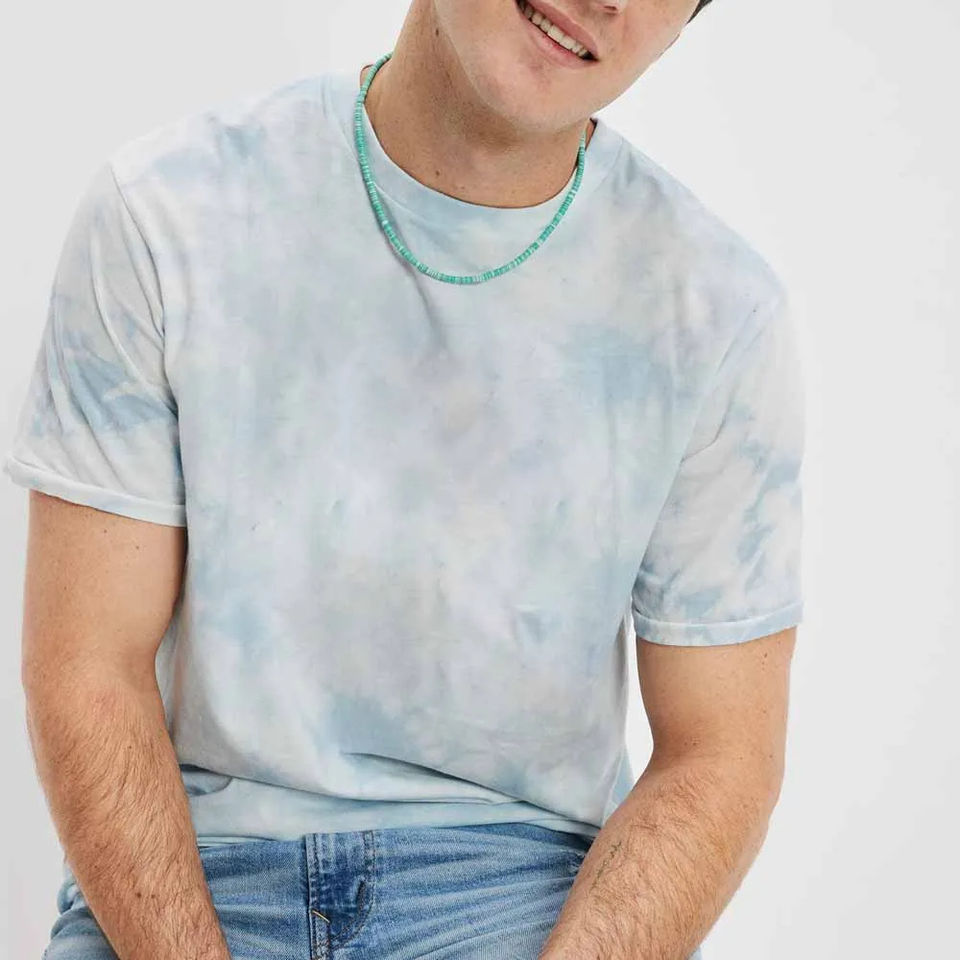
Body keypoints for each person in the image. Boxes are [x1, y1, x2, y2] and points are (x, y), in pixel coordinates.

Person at [5, 0, 803, 957]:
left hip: (520, 893)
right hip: (194, 876)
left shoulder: (715, 310)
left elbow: (719, 753)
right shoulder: (167, 212)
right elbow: (89, 666)